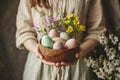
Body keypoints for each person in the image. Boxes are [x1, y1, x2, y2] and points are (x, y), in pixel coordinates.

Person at [16, 0, 106, 80]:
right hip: (39, 65)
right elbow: (24, 31)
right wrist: (37, 50)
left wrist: (79, 52)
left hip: (77, 67)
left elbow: (96, 31)